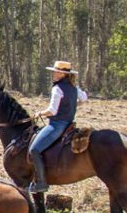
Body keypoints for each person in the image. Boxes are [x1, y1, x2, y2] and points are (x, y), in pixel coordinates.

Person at [29, 61, 89, 193]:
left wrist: (39, 113)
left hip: (57, 125)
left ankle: (41, 183)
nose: (53, 74)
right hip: (69, 124)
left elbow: (52, 111)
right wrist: (72, 105)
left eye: (55, 72)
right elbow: (84, 98)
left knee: (34, 150)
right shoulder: (73, 87)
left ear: (62, 73)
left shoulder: (57, 88)